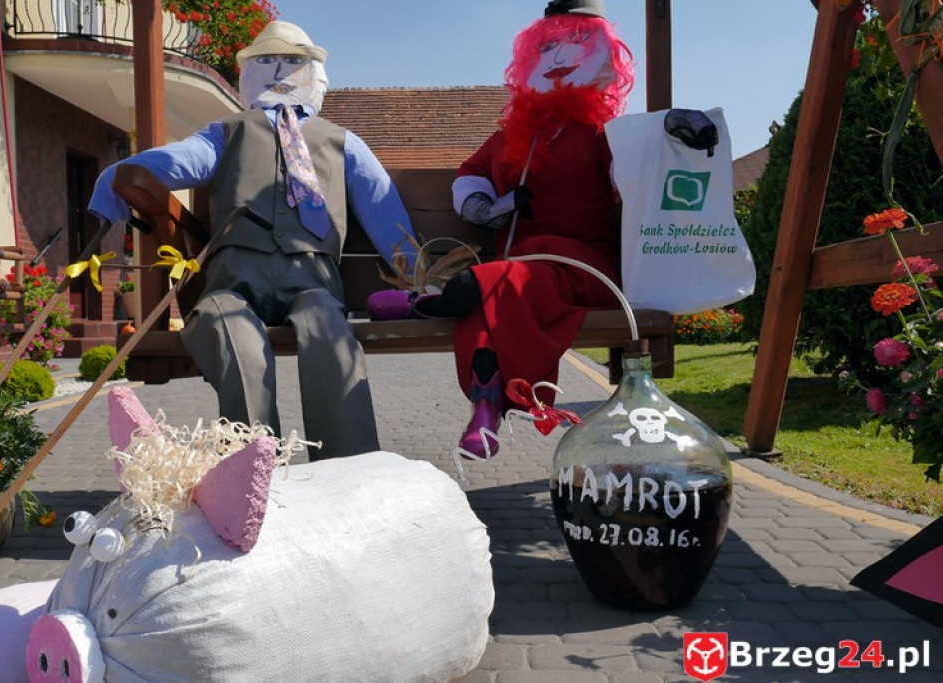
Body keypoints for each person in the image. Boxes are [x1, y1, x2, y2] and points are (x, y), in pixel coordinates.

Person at [89, 20, 416, 460]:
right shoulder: (226, 133)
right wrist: (118, 176)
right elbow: (182, 159)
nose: (280, 71)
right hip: (234, 279)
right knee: (230, 330)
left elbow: (381, 204)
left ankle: (348, 464)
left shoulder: (341, 143)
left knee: (330, 336)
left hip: (314, 279)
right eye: (268, 61)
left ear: (313, 71)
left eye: (292, 61)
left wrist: (417, 274)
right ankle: (255, 465)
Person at [414, 0, 634, 459]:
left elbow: (636, 175)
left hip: (583, 271)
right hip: (517, 274)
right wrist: (488, 207)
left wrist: (673, 134)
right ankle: (486, 410)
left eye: (577, 43)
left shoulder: (604, 133)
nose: (559, 56)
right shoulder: (511, 136)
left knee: (490, 286)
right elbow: (470, 175)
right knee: (491, 293)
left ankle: (435, 305)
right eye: (548, 46)